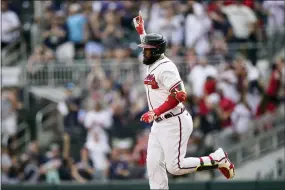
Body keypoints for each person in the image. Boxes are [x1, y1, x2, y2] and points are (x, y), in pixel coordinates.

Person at [133, 11, 235, 189]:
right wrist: (142, 31)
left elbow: (179, 96)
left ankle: (217, 159)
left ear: (156, 51)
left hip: (174, 120)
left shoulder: (166, 68)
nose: (144, 52)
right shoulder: (154, 60)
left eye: (147, 50)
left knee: (175, 167)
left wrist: (155, 111)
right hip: (159, 123)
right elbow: (151, 46)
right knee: (154, 166)